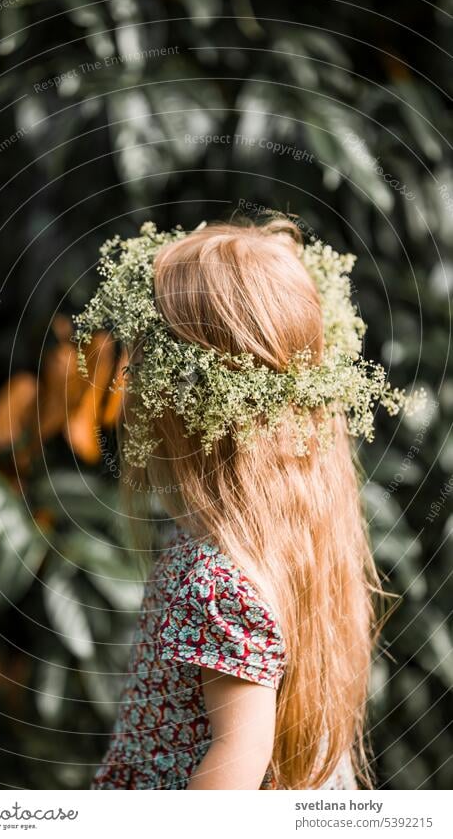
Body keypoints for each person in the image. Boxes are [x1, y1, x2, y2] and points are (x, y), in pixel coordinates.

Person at [74, 216, 422, 790]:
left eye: (145, 362)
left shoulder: (217, 579)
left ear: (180, 408)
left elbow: (237, 765)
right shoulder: (291, 536)